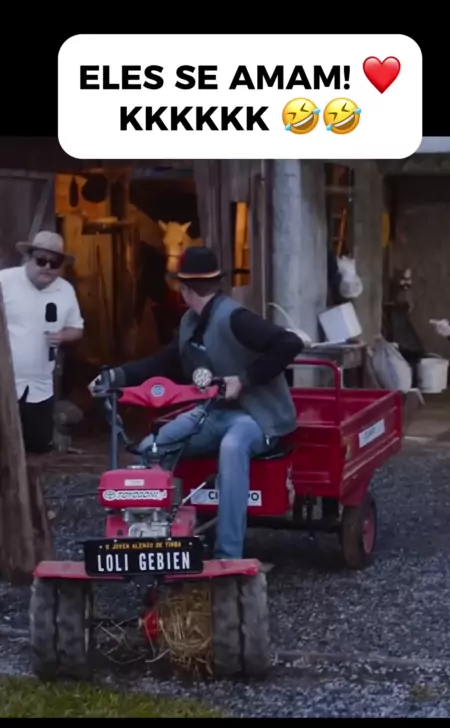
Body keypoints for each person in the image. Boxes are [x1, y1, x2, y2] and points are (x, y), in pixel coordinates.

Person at [89, 246, 304, 560]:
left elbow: (289, 343)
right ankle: (151, 539)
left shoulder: (235, 318)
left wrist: (243, 379)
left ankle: (229, 555)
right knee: (152, 448)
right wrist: (115, 376)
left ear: (185, 289)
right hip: (213, 413)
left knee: (232, 447)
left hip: (258, 417)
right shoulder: (190, 323)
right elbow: (164, 362)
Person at [0, 231, 84, 454]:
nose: (47, 267)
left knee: (38, 445)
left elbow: (77, 328)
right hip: (5, 382)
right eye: (41, 260)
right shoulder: (5, 281)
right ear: (29, 257)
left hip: (40, 385)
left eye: (54, 263)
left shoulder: (65, 290)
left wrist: (63, 336)